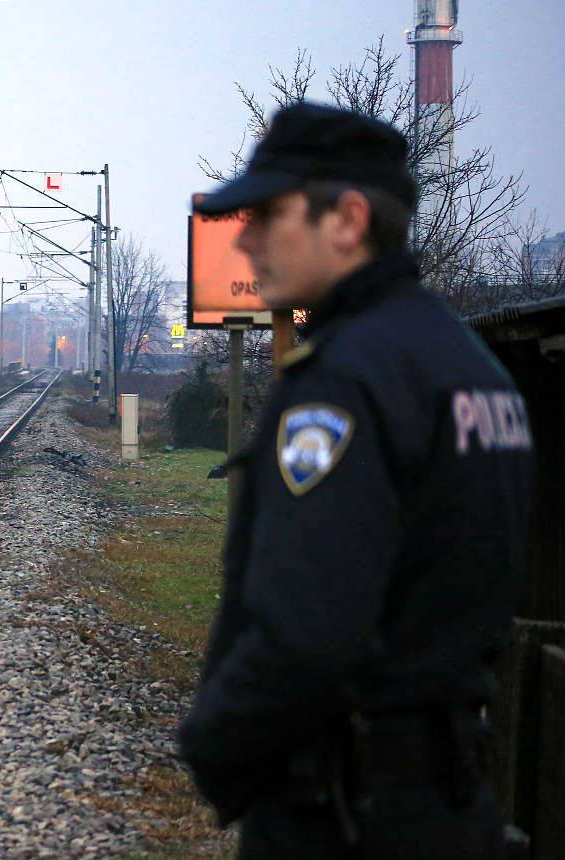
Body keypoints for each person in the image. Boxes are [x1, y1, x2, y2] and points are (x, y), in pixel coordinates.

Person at [178, 101, 533, 859]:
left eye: (268, 214)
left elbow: (305, 630)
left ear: (345, 219)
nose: (244, 237)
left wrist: (214, 744)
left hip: (342, 818)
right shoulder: (472, 369)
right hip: (449, 799)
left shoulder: (343, 383)